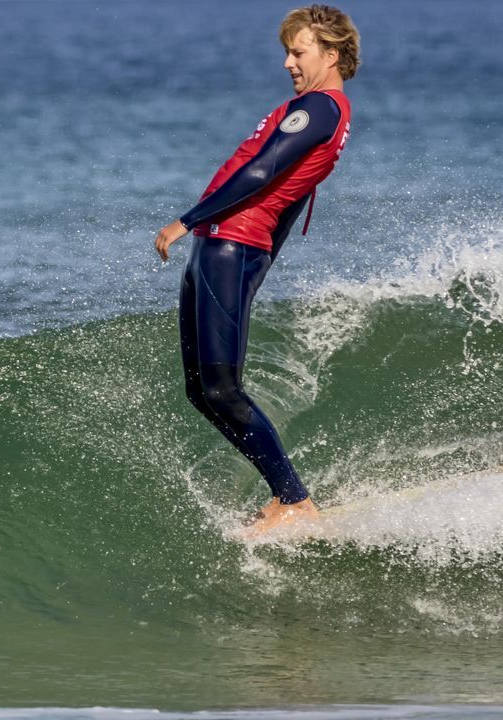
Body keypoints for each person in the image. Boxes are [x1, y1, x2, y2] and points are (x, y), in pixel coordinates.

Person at [154, 5, 359, 536]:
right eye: (287, 52)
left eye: (299, 51)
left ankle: (292, 499)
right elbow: (290, 197)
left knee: (223, 389)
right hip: (224, 246)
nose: (289, 62)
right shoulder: (313, 109)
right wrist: (256, 255)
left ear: (330, 54)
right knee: (201, 390)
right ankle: (285, 497)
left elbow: (263, 171)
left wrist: (186, 220)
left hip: (230, 242)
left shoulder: (319, 108)